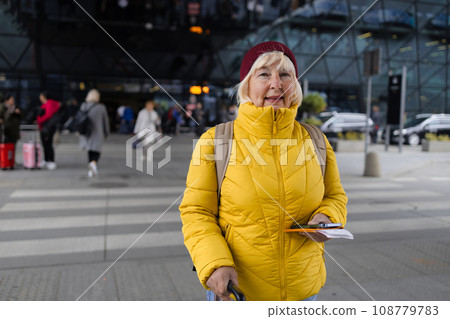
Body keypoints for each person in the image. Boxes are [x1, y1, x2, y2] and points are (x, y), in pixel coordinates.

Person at [179, 41, 348, 301]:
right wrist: (214, 262)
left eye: (284, 75)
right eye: (264, 74)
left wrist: (325, 217)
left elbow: (336, 196)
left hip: (303, 292)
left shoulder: (316, 140)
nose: (276, 84)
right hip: (239, 293)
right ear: (246, 85)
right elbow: (196, 211)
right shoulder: (216, 141)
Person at [78, 89, 110, 178]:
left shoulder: (83, 105)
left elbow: (80, 119)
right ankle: (94, 163)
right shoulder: (101, 107)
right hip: (97, 132)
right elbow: (106, 122)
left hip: (86, 132)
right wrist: (107, 133)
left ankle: (91, 169)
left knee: (90, 150)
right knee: (97, 150)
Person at [37, 92, 60, 170]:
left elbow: (48, 115)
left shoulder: (49, 103)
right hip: (45, 128)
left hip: (48, 128)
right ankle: (46, 160)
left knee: (48, 144)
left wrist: (39, 120)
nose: (40, 97)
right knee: (45, 144)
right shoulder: (48, 103)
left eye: (40, 96)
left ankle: (51, 161)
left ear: (44, 96)